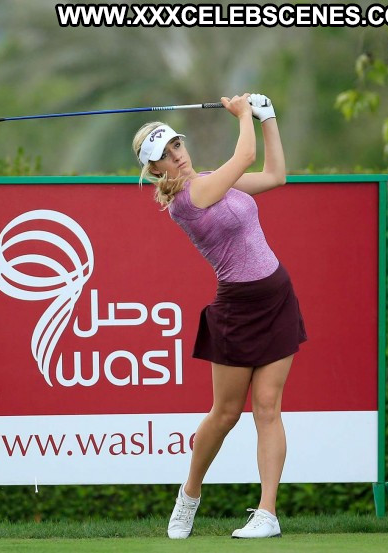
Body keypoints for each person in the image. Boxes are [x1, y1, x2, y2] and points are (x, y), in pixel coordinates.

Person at [131, 93, 307, 539]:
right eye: (165, 155)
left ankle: (267, 513)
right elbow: (244, 156)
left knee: (268, 407)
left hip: (277, 296)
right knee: (226, 413)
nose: (177, 155)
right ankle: (189, 496)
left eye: (177, 145)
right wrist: (243, 113)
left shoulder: (210, 179)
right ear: (155, 169)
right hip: (237, 309)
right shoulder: (187, 200)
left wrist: (267, 117)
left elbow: (276, 175)